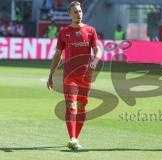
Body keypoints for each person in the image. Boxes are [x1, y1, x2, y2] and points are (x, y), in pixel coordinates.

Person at [47, 1, 101, 151]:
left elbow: (98, 50)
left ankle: (75, 138)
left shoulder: (91, 31)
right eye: (75, 12)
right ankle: (72, 138)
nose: (79, 14)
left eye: (80, 11)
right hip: (69, 77)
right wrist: (51, 74)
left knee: (82, 107)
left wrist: (95, 61)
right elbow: (57, 56)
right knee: (71, 106)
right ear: (70, 15)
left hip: (85, 77)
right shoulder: (64, 33)